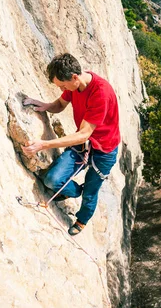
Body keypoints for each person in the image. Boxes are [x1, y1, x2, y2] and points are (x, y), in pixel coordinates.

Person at [22, 53, 121, 236]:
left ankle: (82, 220)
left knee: (91, 192)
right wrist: (44, 106)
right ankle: (73, 191)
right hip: (84, 144)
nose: (62, 89)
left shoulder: (100, 92)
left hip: (104, 151)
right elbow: (60, 104)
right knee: (52, 179)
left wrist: (44, 144)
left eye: (62, 85)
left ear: (74, 77)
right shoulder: (75, 84)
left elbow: (83, 134)